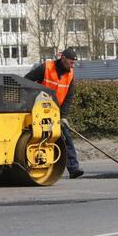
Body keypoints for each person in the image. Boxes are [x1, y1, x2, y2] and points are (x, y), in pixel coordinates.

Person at [25, 48, 84, 179]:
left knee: (66, 137)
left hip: (55, 112)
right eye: (71, 62)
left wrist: (63, 116)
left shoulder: (70, 74)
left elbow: (69, 97)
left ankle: (73, 168)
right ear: (63, 59)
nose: (73, 65)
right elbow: (27, 80)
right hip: (39, 110)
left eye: (74, 62)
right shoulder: (46, 67)